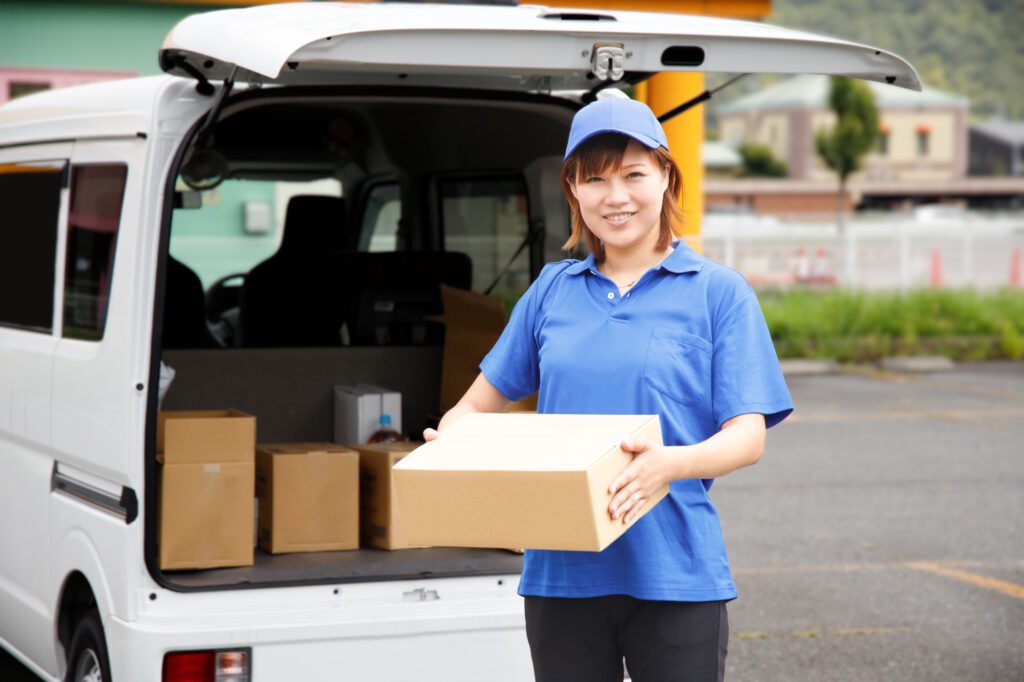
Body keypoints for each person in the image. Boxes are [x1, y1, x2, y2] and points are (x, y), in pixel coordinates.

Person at [424, 96, 793, 682]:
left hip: (676, 572)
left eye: (633, 174)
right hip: (562, 575)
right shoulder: (551, 291)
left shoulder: (718, 292)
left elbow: (747, 438)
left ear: (666, 176)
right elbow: (475, 403)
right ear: (573, 189)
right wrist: (450, 441)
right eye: (594, 179)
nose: (615, 196)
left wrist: (668, 464)